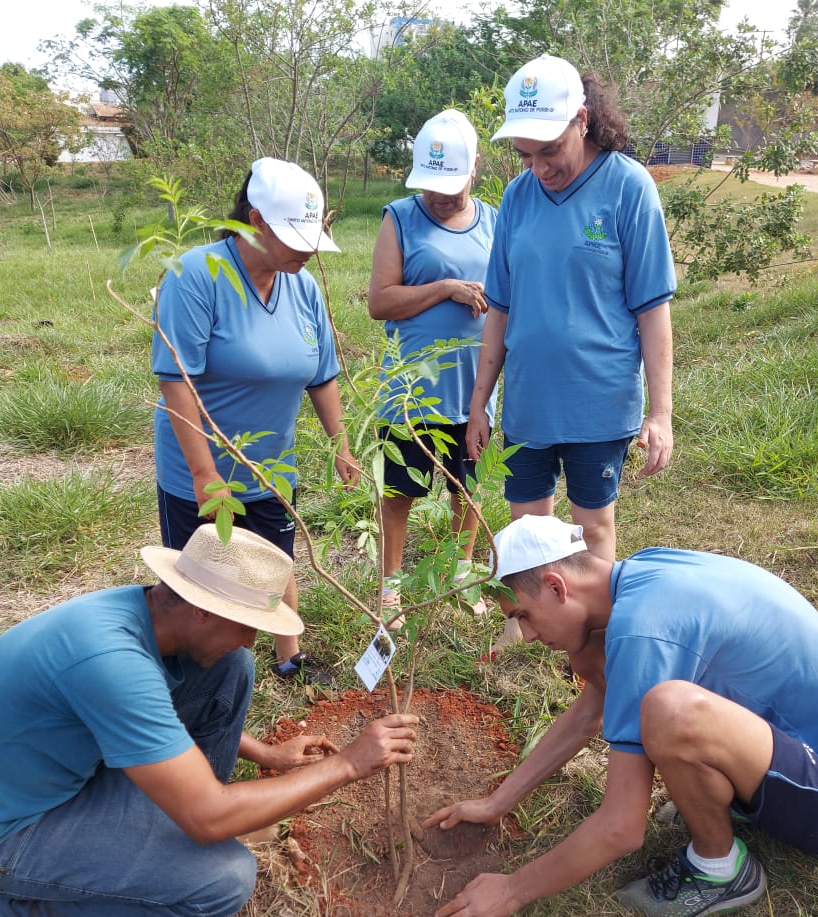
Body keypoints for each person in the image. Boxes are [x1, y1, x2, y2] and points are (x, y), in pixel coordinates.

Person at [0, 525, 417, 917]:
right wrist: (348, 763)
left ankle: (182, 816)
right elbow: (207, 816)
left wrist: (267, 754)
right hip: (15, 827)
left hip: (56, 772)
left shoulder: (144, 615)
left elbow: (151, 715)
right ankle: (17, 916)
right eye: (247, 625)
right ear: (201, 610)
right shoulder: (111, 663)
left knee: (231, 666)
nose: (252, 639)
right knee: (224, 880)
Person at [427, 515, 818, 917]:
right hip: (802, 747)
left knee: (670, 712)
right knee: (626, 679)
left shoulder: (642, 632)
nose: (526, 634)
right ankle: (722, 797)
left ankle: (719, 869)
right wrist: (497, 802)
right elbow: (587, 714)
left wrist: (511, 891)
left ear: (557, 587)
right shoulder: (642, 573)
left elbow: (621, 827)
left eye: (523, 615)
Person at [466, 55, 676, 653]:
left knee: (592, 527)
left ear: (582, 120)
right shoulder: (518, 198)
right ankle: (528, 622)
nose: (540, 168)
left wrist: (661, 413)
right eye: (525, 155)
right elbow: (500, 309)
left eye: (550, 151)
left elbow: (653, 313)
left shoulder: (628, 187)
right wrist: (480, 403)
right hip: (529, 400)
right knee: (527, 528)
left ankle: (599, 633)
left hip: (598, 400)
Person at [153, 157, 358, 682]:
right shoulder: (197, 276)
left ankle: (289, 656)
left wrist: (341, 445)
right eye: (295, 237)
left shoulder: (303, 287)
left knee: (275, 558)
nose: (308, 251)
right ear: (255, 221)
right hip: (203, 466)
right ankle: (194, 673)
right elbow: (177, 382)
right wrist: (204, 473)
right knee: (202, 578)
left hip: (272, 463)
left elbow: (322, 377)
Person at [368, 109, 498, 625]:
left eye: (451, 185)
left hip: (474, 389)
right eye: (431, 185)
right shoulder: (400, 218)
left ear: (475, 167)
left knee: (469, 488)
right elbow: (380, 301)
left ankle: (461, 572)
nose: (439, 196)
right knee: (399, 492)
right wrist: (446, 288)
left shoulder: (495, 222)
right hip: (411, 393)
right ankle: (391, 588)